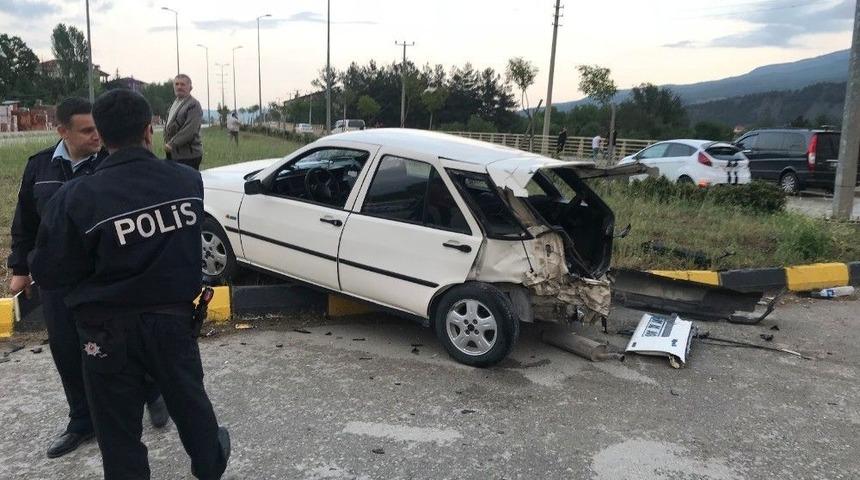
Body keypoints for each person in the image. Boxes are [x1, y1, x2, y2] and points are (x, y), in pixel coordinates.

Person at [30, 89, 230, 479]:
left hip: (104, 335)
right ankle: (210, 464)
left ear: (101, 137)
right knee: (192, 407)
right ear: (149, 131)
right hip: (173, 325)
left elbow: (51, 271)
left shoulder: (76, 198)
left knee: (119, 436)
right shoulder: (188, 181)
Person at [7, 97, 168, 459]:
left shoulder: (113, 165)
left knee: (127, 344)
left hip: (107, 279)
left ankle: (153, 393)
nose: (97, 135)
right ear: (62, 131)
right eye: (86, 130)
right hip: (60, 282)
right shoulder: (40, 168)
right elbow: (26, 222)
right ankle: (82, 420)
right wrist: (20, 268)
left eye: (98, 128)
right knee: (67, 349)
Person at [164, 74, 204, 170]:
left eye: (183, 84)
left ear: (190, 87)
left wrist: (171, 144)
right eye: (176, 84)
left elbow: (190, 129)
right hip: (173, 154)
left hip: (188, 156)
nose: (179, 87)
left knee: (187, 184)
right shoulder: (175, 103)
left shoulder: (193, 104)